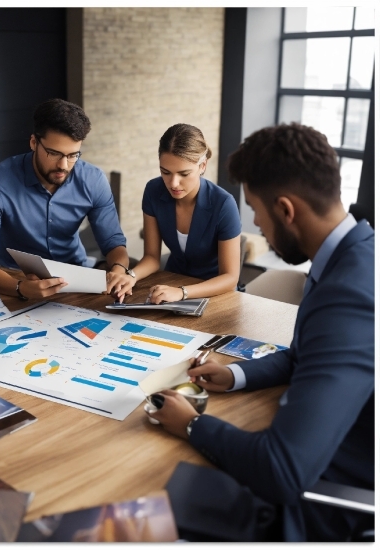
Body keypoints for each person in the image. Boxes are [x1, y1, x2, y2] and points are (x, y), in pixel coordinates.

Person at [146, 123, 374, 541]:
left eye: (255, 208)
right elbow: (308, 352)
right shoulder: (353, 255)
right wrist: (236, 375)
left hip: (327, 499)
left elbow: (281, 472)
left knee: (146, 501)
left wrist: (193, 425)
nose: (253, 222)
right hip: (318, 448)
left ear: (286, 209)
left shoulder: (350, 297)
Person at [0, 98, 130, 300]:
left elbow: (113, 243)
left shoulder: (93, 179)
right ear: (34, 142)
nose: (63, 165)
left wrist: (118, 269)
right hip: (13, 278)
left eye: (73, 155)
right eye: (54, 153)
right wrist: (21, 287)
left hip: (75, 277)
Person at [110, 123, 241, 304]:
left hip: (214, 293)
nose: (173, 183)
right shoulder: (153, 190)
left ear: (202, 166)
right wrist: (131, 275)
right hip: (171, 285)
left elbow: (230, 277)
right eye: (165, 172)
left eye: (184, 173)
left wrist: (182, 292)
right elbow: (152, 258)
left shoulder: (224, 204)